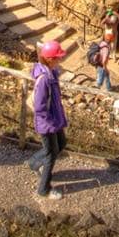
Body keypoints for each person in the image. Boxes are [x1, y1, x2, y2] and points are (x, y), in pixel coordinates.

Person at [28, 40, 69, 199]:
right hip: (47, 123)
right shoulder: (45, 78)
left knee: (61, 143)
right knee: (51, 154)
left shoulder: (52, 72)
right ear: (50, 59)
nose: (60, 60)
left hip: (55, 119)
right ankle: (44, 189)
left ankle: (34, 163)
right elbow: (39, 106)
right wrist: (51, 123)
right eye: (58, 57)